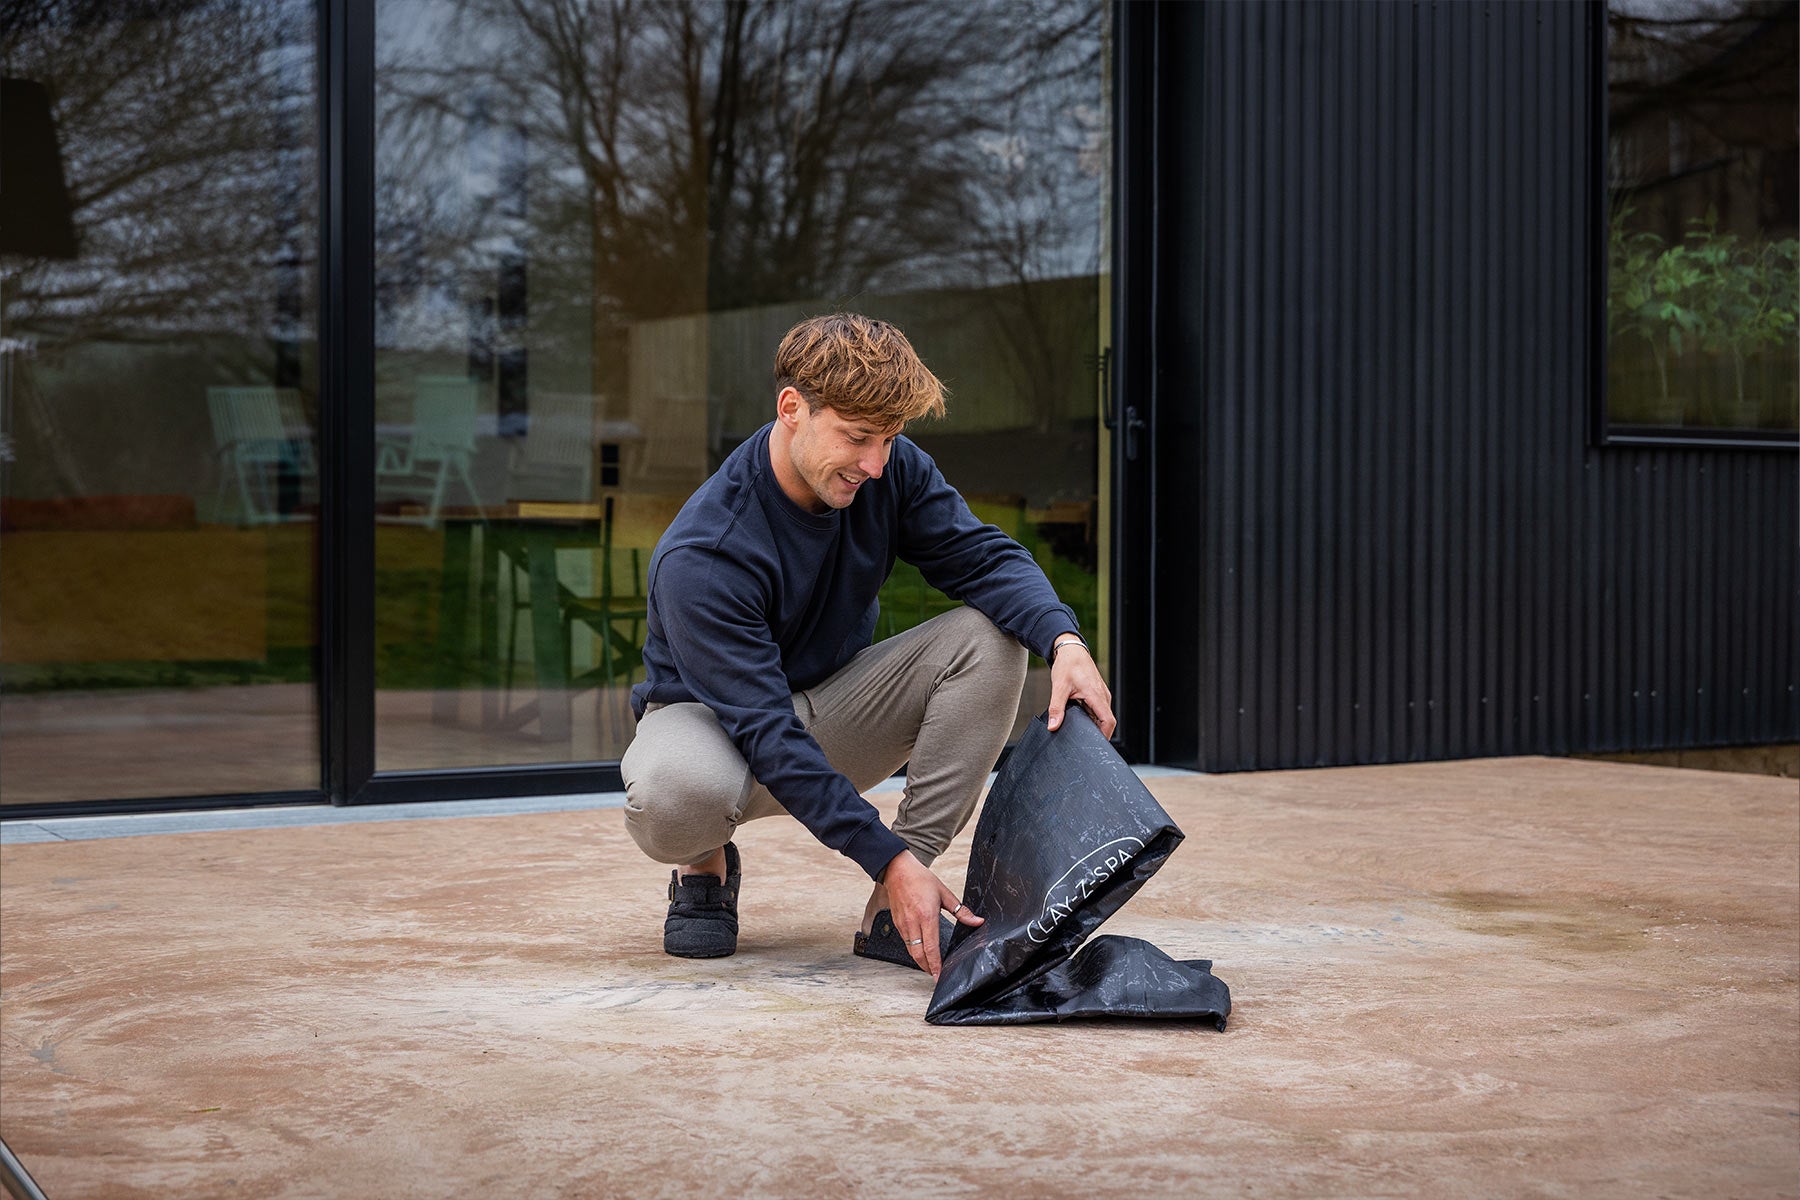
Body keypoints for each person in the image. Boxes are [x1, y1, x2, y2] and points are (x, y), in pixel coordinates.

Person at [621, 313, 1115, 979]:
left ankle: (896, 902)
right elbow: (765, 729)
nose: (876, 464)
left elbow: (982, 558)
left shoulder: (891, 470)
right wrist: (876, 848)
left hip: (829, 706)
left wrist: (1064, 642)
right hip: (718, 731)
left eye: (890, 439)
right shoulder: (707, 554)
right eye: (857, 438)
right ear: (792, 409)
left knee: (992, 637)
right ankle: (704, 862)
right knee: (671, 790)